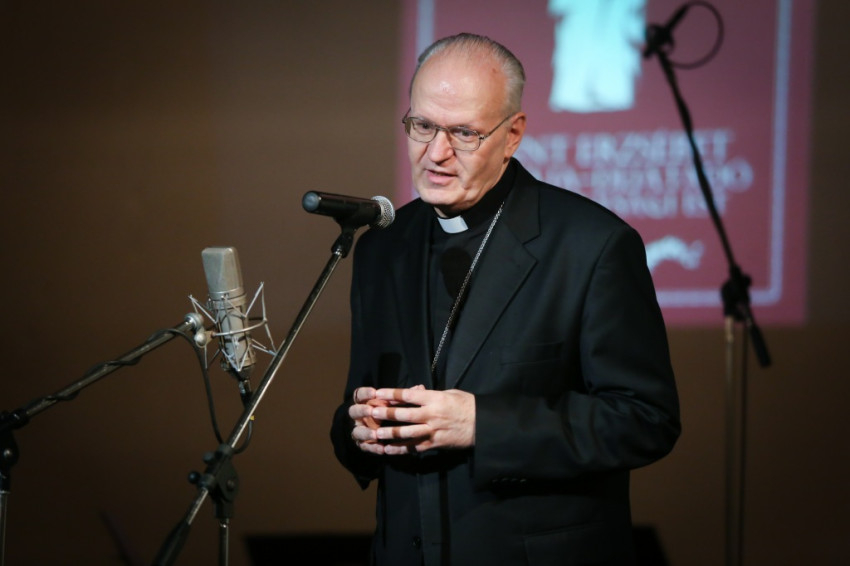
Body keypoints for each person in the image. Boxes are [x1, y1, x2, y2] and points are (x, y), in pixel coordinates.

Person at [330, 32, 680, 566]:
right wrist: (359, 429)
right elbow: (357, 407)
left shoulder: (592, 245)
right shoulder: (383, 247)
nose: (436, 153)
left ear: (512, 134)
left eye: (464, 133)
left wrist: (481, 425)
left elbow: (644, 420)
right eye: (423, 126)